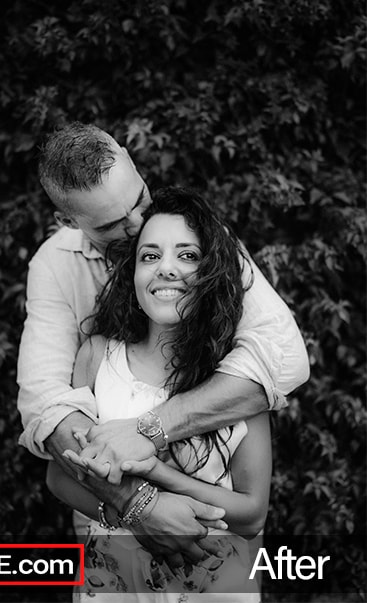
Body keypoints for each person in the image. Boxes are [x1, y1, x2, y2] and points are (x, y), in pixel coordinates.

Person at [17, 122, 309, 563]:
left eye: (139, 199)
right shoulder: (57, 270)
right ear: (68, 221)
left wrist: (146, 431)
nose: (137, 227)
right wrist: (137, 507)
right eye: (114, 224)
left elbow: (283, 358)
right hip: (112, 555)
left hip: (214, 554)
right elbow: (47, 406)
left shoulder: (202, 242)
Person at [47, 187, 270, 600]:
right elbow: (59, 475)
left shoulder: (237, 376)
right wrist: (132, 512)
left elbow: (252, 514)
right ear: (132, 273)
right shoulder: (98, 357)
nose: (166, 268)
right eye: (150, 256)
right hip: (115, 586)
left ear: (212, 271)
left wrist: (153, 471)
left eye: (187, 255)